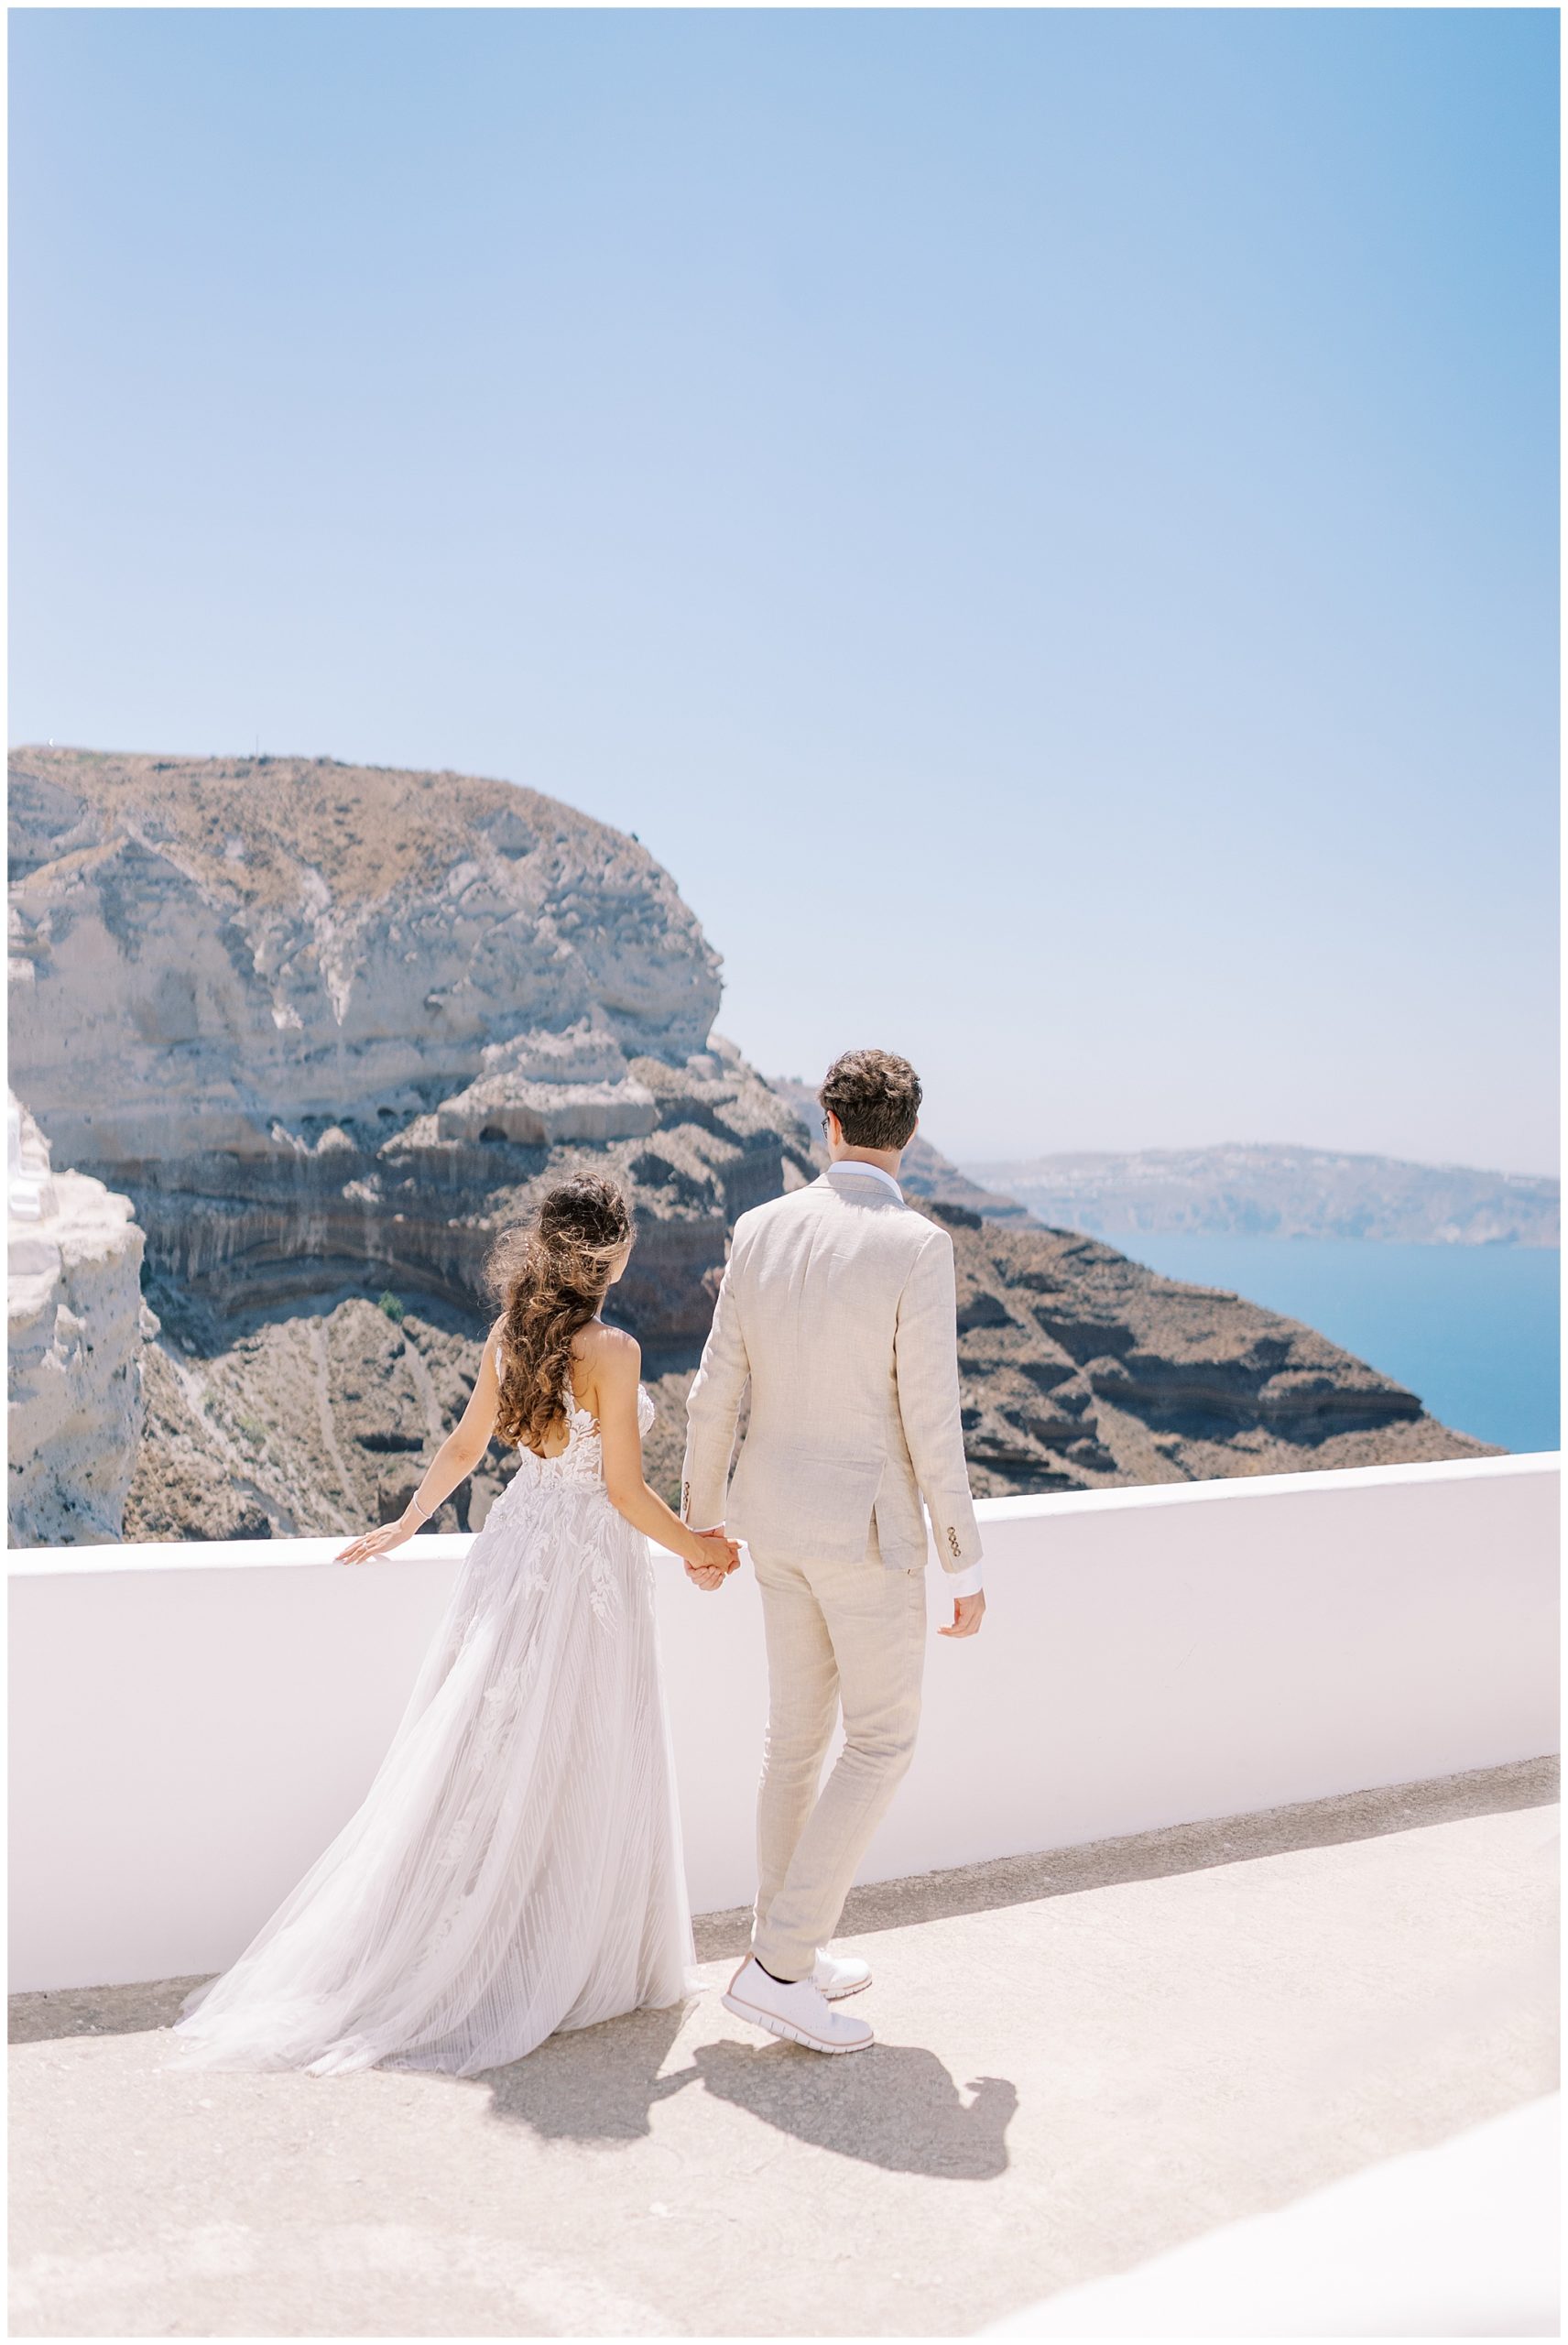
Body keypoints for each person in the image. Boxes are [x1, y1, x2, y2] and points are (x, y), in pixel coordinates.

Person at [174, 1173, 738, 2078]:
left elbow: (467, 1446)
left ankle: (497, 1940)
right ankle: (565, 1952)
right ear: (614, 1256)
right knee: (584, 1748)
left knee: (490, 1749)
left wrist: (407, 1521)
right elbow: (626, 1492)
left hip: (517, 1550)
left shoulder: (511, 1335)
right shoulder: (614, 1349)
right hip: (588, 1563)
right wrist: (701, 1549)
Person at [681, 1046, 985, 2056]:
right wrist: (964, 1561)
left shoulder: (760, 1229)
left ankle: (791, 1954)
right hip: (865, 1535)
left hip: (769, 1523)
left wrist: (701, 1519)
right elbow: (929, 1418)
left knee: (794, 1744)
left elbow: (713, 1390)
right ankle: (776, 1966)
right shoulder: (916, 1245)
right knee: (881, 1742)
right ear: (907, 1132)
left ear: (827, 1119)